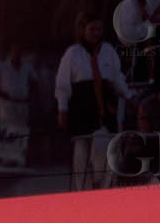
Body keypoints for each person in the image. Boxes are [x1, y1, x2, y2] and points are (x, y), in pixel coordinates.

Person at [54, 13, 130, 191]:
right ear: (82, 30)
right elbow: (62, 84)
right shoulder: (73, 53)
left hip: (105, 111)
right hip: (81, 111)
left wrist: (129, 96)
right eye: (92, 29)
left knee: (103, 147)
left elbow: (117, 78)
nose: (96, 33)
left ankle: (102, 187)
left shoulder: (109, 51)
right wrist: (62, 109)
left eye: (99, 29)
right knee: (80, 154)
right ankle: (82, 193)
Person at [0, 42, 38, 162]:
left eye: (19, 52)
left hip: (22, 102)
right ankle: (5, 157)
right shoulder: (2, 66)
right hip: (7, 103)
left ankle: (20, 156)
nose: (17, 54)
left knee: (22, 129)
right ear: (10, 53)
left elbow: (35, 80)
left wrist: (30, 94)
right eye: (14, 52)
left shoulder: (26, 67)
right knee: (7, 128)